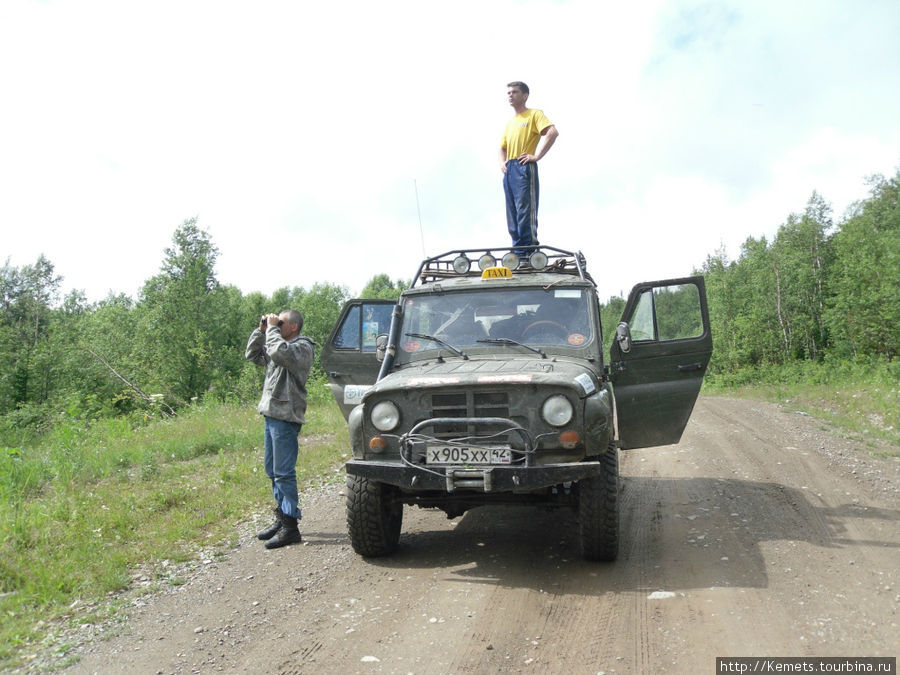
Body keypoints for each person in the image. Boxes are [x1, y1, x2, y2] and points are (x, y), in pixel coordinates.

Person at [245, 310, 315, 549]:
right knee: (272, 471)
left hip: (286, 416)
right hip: (272, 414)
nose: (276, 324)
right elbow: (252, 355)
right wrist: (262, 330)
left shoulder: (301, 347)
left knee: (284, 472)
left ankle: (290, 527)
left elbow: (278, 352)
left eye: (281, 322)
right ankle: (282, 517)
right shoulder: (278, 343)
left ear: (293, 326)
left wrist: (272, 332)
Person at [499, 81, 559, 254]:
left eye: (515, 92)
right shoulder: (510, 122)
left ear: (525, 96)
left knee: (525, 209)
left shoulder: (534, 114)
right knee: (512, 212)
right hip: (509, 168)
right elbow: (502, 147)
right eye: (509, 92)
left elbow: (552, 132)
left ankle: (529, 250)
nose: (511, 95)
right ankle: (518, 252)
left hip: (523, 165)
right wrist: (502, 163)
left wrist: (536, 156)